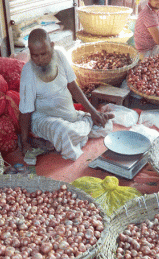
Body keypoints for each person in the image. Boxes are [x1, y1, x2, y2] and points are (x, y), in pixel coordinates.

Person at [19, 28, 114, 161]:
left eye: (44, 53)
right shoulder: (28, 71)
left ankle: (75, 129)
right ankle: (83, 126)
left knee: (106, 125)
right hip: (44, 119)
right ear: (30, 52)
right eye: (35, 55)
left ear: (52, 46)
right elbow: (25, 110)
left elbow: (73, 86)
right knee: (63, 131)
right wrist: (24, 142)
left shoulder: (60, 56)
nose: (40, 59)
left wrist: (93, 111)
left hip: (68, 115)